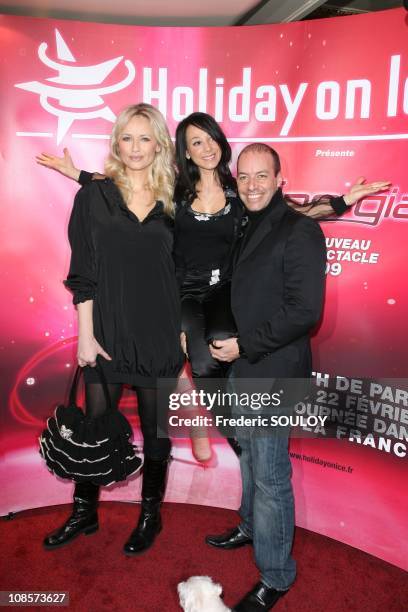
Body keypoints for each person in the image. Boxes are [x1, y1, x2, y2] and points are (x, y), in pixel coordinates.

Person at [36, 113, 388, 463]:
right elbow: (126, 184)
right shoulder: (174, 190)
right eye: (195, 143)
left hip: (225, 293)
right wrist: (77, 174)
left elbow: (296, 210)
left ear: (221, 142)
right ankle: (240, 442)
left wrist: (343, 201)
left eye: (210, 139)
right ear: (185, 152)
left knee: (226, 352)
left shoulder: (240, 191)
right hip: (184, 294)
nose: (206, 148)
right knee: (203, 366)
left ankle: (250, 441)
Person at [205, 142, 390, 612]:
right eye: (243, 176)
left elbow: (305, 312)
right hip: (245, 368)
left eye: (260, 176)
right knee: (248, 459)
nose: (251, 185)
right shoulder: (249, 221)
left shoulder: (299, 232)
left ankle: (277, 575)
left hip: (274, 371)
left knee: (269, 475)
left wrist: (244, 344)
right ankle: (249, 526)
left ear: (279, 177)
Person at [43, 103, 184, 556]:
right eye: (128, 137)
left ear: (159, 143)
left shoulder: (175, 200)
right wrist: (85, 333)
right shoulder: (95, 197)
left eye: (146, 138)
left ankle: (150, 515)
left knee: (156, 430)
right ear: (116, 143)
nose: (137, 147)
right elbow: (82, 268)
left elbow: (188, 271)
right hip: (104, 330)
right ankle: (83, 511)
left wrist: (186, 328)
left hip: (160, 332)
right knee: (92, 426)